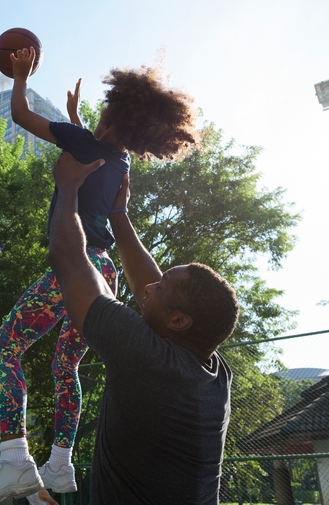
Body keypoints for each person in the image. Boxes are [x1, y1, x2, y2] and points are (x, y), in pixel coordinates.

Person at [0, 48, 198, 505]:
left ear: (110, 117)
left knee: (3, 349)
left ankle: (14, 461)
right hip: (105, 273)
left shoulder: (86, 144)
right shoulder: (119, 159)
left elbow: (22, 114)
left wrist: (20, 76)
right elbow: (95, 140)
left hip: (77, 263)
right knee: (67, 365)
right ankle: (60, 465)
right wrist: (76, 117)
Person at [47, 152, 239, 504]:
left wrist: (68, 186)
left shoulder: (146, 358)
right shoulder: (212, 371)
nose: (148, 289)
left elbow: (68, 257)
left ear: (179, 322)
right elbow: (153, 290)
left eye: (160, 288)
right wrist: (118, 216)